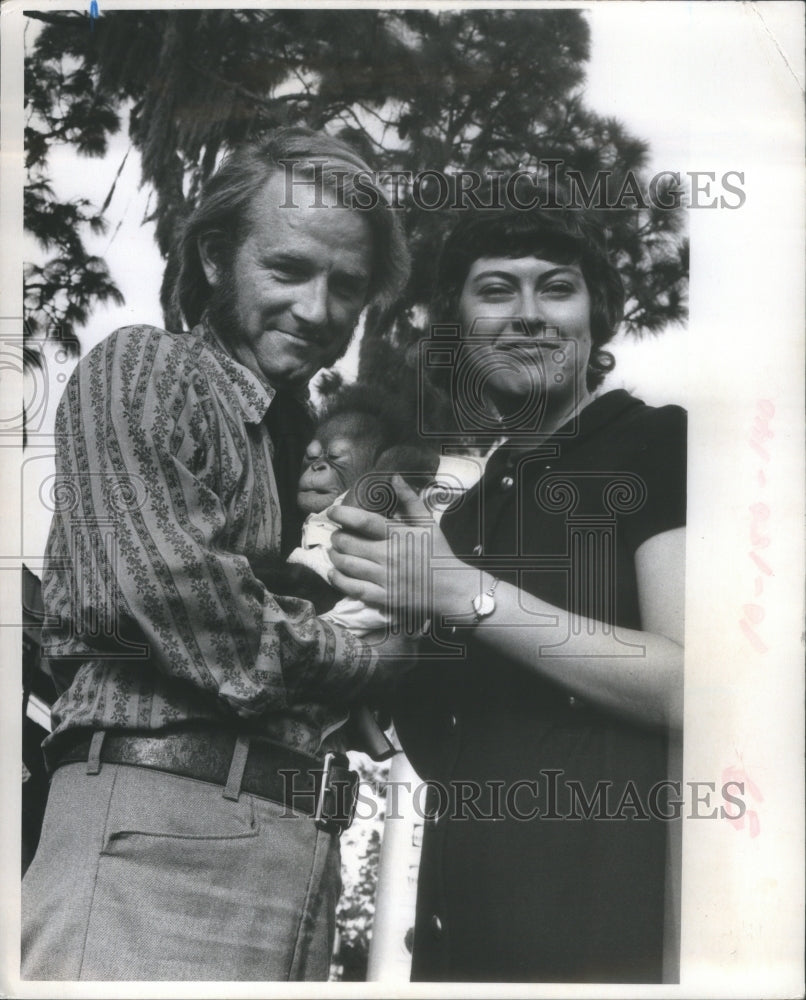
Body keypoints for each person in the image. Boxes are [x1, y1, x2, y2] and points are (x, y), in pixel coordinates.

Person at [22, 127, 409, 981]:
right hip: (158, 840)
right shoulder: (150, 370)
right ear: (212, 257)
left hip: (302, 849)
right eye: (288, 270)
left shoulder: (302, 445)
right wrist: (376, 658)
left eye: (347, 286)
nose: (319, 310)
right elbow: (197, 614)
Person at [328, 197, 687, 983]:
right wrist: (379, 673)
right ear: (456, 326)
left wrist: (463, 595)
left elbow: (692, 685)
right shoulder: (471, 509)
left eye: (555, 287)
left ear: (597, 318)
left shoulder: (659, 442)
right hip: (457, 936)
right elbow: (458, 740)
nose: (528, 315)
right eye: (496, 290)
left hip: (598, 940)